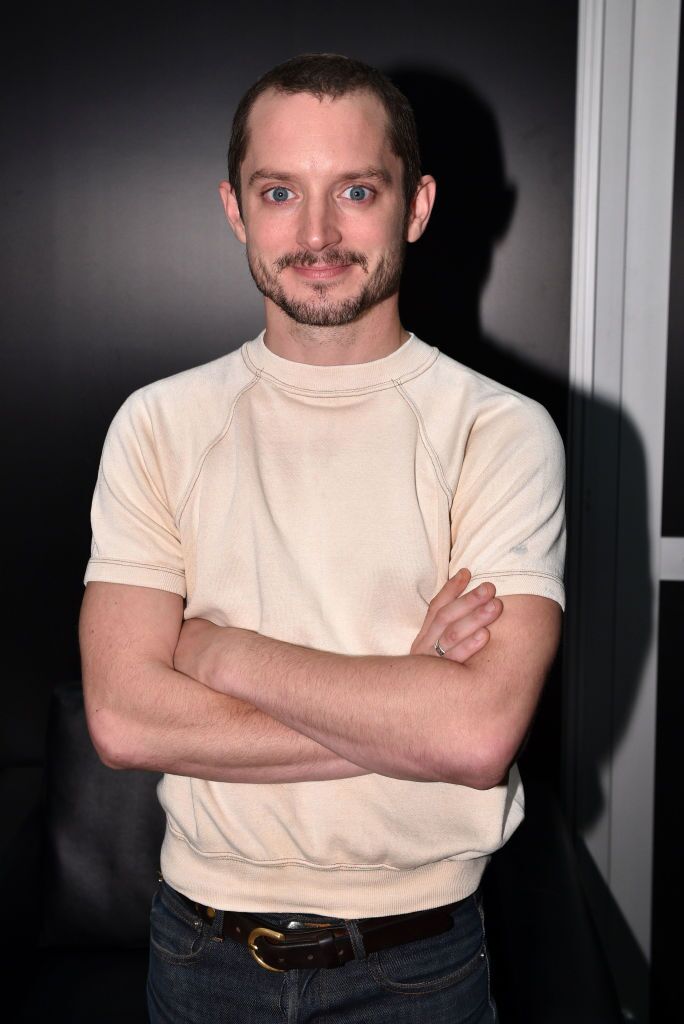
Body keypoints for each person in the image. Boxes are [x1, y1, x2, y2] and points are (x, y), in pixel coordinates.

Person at [79, 52, 565, 1024]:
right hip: (201, 951)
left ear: (415, 205)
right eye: (278, 192)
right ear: (235, 209)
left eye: (354, 189)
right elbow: (126, 720)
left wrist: (220, 651)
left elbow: (474, 736)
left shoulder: (498, 430)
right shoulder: (159, 424)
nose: (316, 234)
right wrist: (402, 703)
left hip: (419, 961)